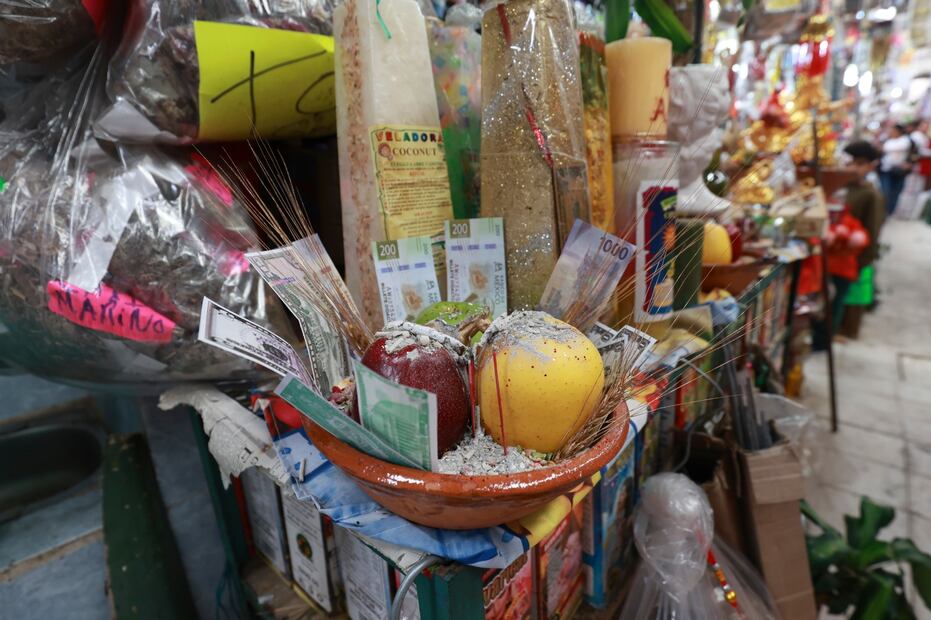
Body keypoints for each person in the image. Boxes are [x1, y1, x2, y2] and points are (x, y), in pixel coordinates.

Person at [839, 141, 885, 336]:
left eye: (859, 164)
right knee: (841, 295)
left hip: (858, 254)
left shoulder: (870, 195)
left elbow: (873, 229)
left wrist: (865, 259)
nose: (853, 168)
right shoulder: (843, 187)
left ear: (870, 166)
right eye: (849, 163)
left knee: (853, 297)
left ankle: (847, 330)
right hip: (840, 252)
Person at [879, 123, 914, 215]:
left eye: (893, 130)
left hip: (899, 171)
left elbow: (891, 148)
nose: (891, 132)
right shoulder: (888, 140)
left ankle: (889, 212)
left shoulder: (905, 141)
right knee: (886, 191)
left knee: (896, 192)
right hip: (886, 169)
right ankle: (882, 211)